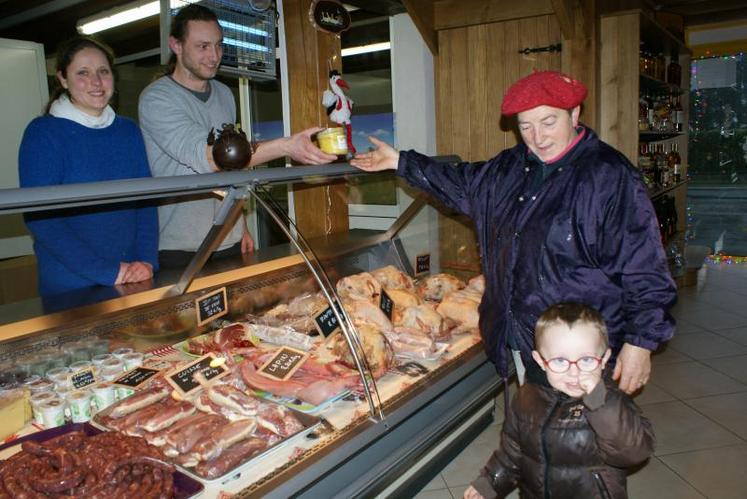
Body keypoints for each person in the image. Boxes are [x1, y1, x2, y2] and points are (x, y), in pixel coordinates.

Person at [351, 70, 676, 394]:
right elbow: (459, 180)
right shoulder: (508, 168)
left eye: (549, 122)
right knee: (535, 430)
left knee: (585, 436)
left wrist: (641, 343)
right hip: (523, 338)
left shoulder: (609, 176)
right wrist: (400, 161)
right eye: (526, 126)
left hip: (581, 352)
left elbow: (644, 266)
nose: (538, 137)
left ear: (574, 114)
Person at [139, 4, 336, 269]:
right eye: (203, 46)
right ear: (176, 45)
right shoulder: (156, 98)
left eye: (219, 45)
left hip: (228, 237)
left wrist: (240, 223)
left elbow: (234, 170)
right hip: (181, 246)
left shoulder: (224, 94)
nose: (214, 56)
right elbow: (213, 158)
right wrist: (286, 146)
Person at [464, 302, 655, 499]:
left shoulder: (611, 399)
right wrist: (489, 483)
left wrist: (599, 399)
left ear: (604, 358)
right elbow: (513, 451)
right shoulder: (526, 397)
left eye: (587, 360)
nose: (574, 372)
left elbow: (633, 452)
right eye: (560, 361)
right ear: (540, 361)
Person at [18, 37, 158, 297]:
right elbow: (42, 220)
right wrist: (108, 271)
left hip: (134, 277)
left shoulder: (128, 130)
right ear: (62, 79)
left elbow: (146, 203)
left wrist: (147, 260)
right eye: (83, 73)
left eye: (103, 72)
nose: (96, 82)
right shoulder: (43, 133)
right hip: (71, 286)